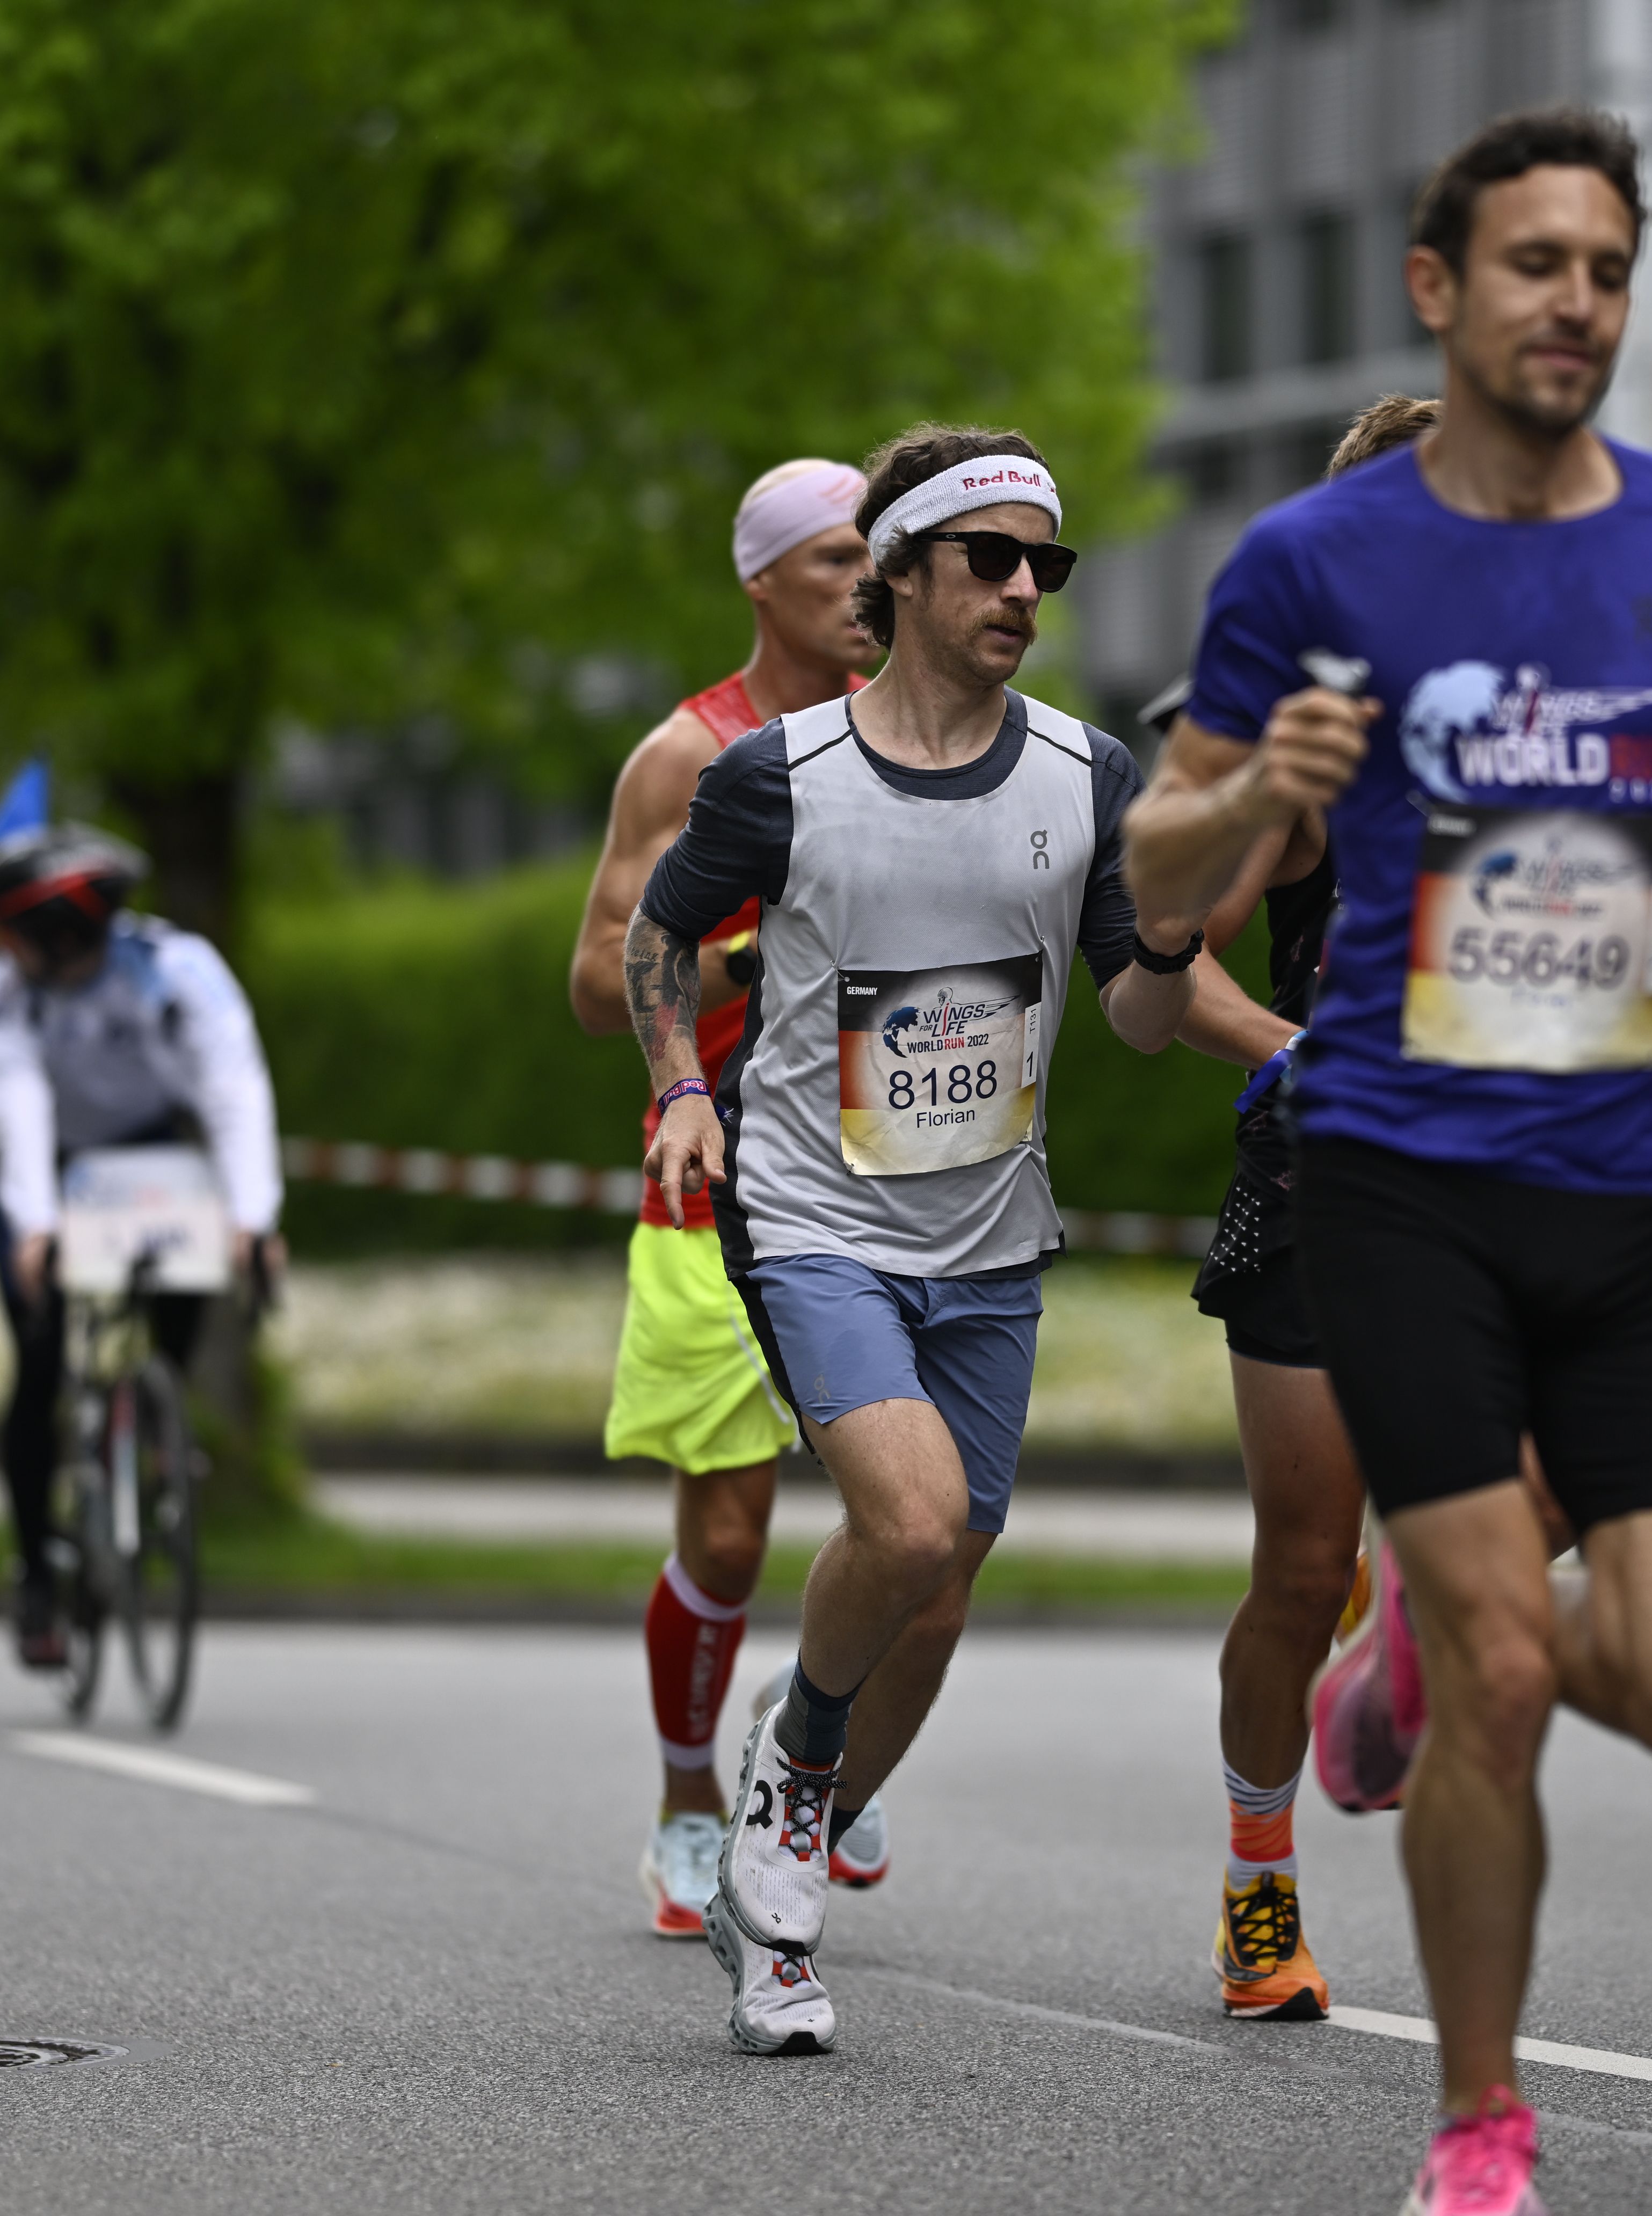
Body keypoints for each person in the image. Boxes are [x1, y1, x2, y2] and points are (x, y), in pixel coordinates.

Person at [1129, 110, 1652, 2216]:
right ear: (1439, 286)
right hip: (1393, 1171)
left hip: (1622, 1176)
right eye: (1535, 263)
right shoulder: (1310, 567)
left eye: (1608, 268)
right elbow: (1156, 880)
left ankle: (1413, 1655)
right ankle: (1479, 2126)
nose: (1575, 302)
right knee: (1482, 1642)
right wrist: (1250, 791)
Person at [625, 425, 1203, 2055]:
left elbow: (1141, 1021)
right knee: (912, 1518)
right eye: (991, 559)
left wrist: (1171, 932)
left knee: (937, 1588)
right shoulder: (777, 775)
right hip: (811, 1215)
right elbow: (657, 941)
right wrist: (683, 1091)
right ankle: (794, 1783)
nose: (1026, 589)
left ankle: (777, 1841)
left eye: (1047, 565)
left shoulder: (1089, 777)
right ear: (901, 573)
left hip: (993, 1235)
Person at [569, 458, 878, 1938]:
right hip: (716, 1179)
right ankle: (691, 1799)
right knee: (735, 1539)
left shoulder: (919, 736)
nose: (867, 582)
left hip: (880, 1180)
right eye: (834, 559)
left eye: (880, 555)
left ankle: (821, 1737)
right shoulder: (686, 754)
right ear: (762, 580)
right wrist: (762, 954)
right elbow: (596, 980)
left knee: (914, 1525)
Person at [1174, 393, 1433, 2024]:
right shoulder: (1303, 752)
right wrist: (1294, 1046)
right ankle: (1257, 1886)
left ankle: (1404, 1622)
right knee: (1297, 1567)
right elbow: (1176, 961)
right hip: (1320, 1189)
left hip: (1503, 1187)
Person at [0, 821, 286, 1668]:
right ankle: (38, 1575)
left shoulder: (177, 970)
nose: (0, 949)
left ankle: (157, 1419)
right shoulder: (4, 992)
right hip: (42, 1165)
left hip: (145, 1145)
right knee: (39, 1359)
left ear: (57, 931)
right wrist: (36, 1229)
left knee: (195, 1258)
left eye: (9, 931)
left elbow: (234, 1086)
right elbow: (18, 1107)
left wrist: (254, 1218)